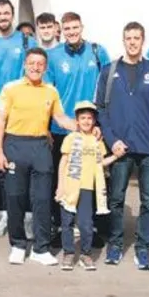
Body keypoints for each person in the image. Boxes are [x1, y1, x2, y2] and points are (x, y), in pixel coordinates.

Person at [95, 22, 149, 270]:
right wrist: (112, 140)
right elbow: (101, 110)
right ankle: (115, 245)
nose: (132, 42)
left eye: (136, 38)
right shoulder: (109, 71)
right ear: (123, 40)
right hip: (120, 148)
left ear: (143, 40)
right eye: (128, 38)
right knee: (116, 199)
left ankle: (143, 248)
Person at [0, 48, 79, 265]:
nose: (35, 67)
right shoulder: (10, 88)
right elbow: (0, 121)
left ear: (45, 67)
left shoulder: (50, 91)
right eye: (32, 63)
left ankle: (41, 248)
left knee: (42, 199)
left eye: (40, 64)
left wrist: (83, 128)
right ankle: (18, 245)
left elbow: (60, 118)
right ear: (25, 64)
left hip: (40, 146)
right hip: (15, 145)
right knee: (15, 197)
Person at [46, 12, 111, 242]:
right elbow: (48, 94)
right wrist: (52, 125)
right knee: (63, 179)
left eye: (75, 27)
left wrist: (100, 122)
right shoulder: (53, 56)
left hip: (91, 129)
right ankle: (61, 227)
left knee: (91, 179)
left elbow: (107, 89)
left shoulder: (97, 51)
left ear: (82, 27)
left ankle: (91, 229)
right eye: (67, 29)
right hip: (62, 130)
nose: (72, 32)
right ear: (60, 30)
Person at [0, 0, 32, 235]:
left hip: (21, 116)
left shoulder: (26, 41)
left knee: (23, 166)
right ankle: (3, 213)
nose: (2, 17)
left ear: (12, 15)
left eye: (6, 13)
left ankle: (27, 216)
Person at [55, 101, 114, 270]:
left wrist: (116, 156)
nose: (86, 121)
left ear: (94, 120)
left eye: (89, 118)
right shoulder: (70, 138)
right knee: (66, 222)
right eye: (83, 118)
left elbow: (101, 163)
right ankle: (68, 253)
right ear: (77, 121)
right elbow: (63, 162)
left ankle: (86, 254)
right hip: (70, 185)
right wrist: (60, 185)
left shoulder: (97, 141)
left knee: (86, 224)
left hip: (87, 188)